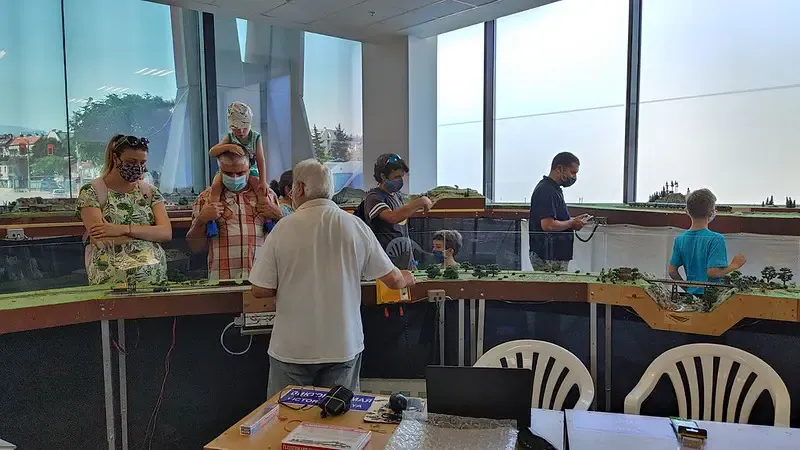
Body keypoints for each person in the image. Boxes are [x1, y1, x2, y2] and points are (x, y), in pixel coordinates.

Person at [249, 159, 416, 398]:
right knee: (339, 419)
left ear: (299, 189)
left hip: (292, 349)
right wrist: (408, 277)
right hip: (343, 346)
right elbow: (394, 280)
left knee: (286, 418)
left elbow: (260, 289)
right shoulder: (354, 226)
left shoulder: (283, 228)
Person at [77, 135, 172, 285]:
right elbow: (101, 240)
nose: (138, 167)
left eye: (142, 163)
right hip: (111, 281)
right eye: (131, 162)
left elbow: (166, 233)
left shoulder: (150, 192)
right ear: (116, 158)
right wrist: (149, 234)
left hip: (154, 280)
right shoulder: (92, 192)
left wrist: (120, 229)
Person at [186, 146, 282, 280]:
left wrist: (279, 216)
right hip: (222, 282)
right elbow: (195, 247)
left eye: (241, 173)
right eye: (228, 173)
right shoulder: (205, 199)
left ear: (249, 169)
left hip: (261, 280)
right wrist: (201, 221)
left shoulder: (268, 196)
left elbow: (283, 242)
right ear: (219, 170)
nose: (235, 178)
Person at [361, 153, 433, 269]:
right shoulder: (374, 197)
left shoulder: (397, 196)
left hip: (404, 264)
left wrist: (411, 261)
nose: (400, 180)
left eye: (401, 177)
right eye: (396, 177)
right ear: (383, 176)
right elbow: (392, 217)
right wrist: (421, 201)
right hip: (385, 266)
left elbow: (404, 231)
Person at [668, 188, 746, 294]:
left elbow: (672, 271)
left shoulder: (680, 240)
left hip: (691, 297)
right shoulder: (716, 239)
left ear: (688, 211)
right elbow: (713, 273)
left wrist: (688, 289)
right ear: (711, 212)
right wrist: (734, 265)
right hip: (711, 297)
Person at [529, 152, 590, 272]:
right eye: (572, 172)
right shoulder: (546, 190)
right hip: (548, 256)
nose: (574, 177)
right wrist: (572, 223)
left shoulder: (553, 189)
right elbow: (548, 225)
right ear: (560, 168)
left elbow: (555, 220)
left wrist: (573, 221)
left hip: (554, 254)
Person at [208, 102, 268, 211]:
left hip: (249, 169)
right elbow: (212, 152)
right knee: (216, 184)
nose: (241, 131)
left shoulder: (255, 137)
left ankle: (265, 211)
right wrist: (228, 147)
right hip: (227, 169)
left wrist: (263, 181)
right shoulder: (229, 137)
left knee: (259, 187)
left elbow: (260, 159)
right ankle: (213, 210)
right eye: (236, 128)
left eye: (244, 127)